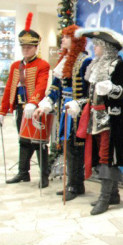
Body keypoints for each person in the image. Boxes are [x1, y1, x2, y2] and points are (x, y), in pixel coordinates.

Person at [76, 27, 123, 215]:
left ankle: (104, 198)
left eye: (98, 45)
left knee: (107, 156)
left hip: (111, 118)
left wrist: (111, 89)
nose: (94, 48)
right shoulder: (95, 65)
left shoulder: (118, 65)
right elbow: (90, 95)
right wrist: (78, 104)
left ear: (107, 47)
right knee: (98, 154)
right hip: (94, 117)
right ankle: (113, 194)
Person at [34, 25, 92, 201]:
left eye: (67, 37)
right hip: (64, 110)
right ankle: (76, 184)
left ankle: (73, 184)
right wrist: (45, 104)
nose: (63, 40)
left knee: (75, 148)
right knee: (68, 147)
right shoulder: (64, 60)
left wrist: (78, 104)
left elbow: (90, 92)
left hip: (76, 112)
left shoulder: (85, 61)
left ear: (75, 40)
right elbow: (55, 87)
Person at [0, 13, 52, 187]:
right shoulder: (16, 66)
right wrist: (2, 111)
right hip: (21, 108)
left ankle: (44, 175)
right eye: (24, 47)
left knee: (39, 142)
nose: (26, 50)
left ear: (36, 47)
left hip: (36, 109)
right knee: (23, 140)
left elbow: (41, 86)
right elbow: (9, 89)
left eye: (29, 47)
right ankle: (23, 172)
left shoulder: (42, 65)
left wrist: (33, 102)